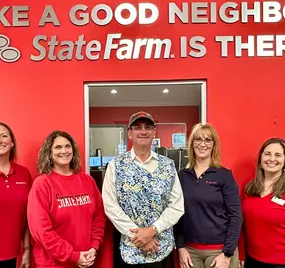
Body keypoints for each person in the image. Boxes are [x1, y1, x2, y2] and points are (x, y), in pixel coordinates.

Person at [102, 111, 184, 268]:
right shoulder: (116, 165)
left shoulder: (168, 165)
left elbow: (176, 206)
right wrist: (139, 236)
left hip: (161, 248)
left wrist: (152, 230)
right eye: (138, 127)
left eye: (148, 127)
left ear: (154, 132)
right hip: (129, 249)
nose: (143, 131)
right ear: (130, 133)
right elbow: (110, 205)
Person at [27, 130, 106, 268]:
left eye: (67, 146)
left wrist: (93, 247)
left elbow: (99, 217)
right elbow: (42, 231)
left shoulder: (87, 180)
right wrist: (73, 255)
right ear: (49, 153)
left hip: (86, 259)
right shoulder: (42, 184)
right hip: (53, 264)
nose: (64, 151)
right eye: (58, 147)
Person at [174, 123, 242, 268]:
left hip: (219, 251)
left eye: (208, 140)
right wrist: (180, 247)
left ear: (214, 145)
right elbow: (176, 213)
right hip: (190, 251)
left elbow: (236, 216)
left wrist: (227, 253)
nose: (202, 144)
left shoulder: (224, 175)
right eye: (198, 139)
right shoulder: (182, 176)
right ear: (192, 144)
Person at [241, 138, 285, 268]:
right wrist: (241, 254)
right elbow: (241, 223)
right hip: (252, 260)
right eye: (267, 154)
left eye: (278, 155)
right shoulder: (249, 186)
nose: (271, 159)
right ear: (260, 159)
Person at [0, 122, 32, 268]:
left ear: (12, 142)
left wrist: (26, 249)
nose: (0, 140)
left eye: (4, 136)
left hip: (13, 254)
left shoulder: (24, 174)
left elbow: (27, 216)